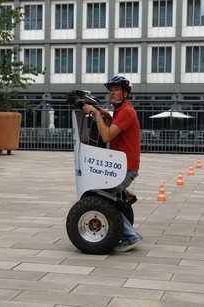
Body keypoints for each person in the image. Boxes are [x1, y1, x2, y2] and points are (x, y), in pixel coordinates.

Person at [82, 75, 142, 252]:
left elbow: (107, 135)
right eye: (110, 90)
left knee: (103, 198)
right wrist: (104, 113)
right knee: (108, 196)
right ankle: (122, 200)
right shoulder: (121, 110)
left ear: (125, 93)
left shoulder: (126, 112)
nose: (112, 93)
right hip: (122, 165)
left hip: (126, 167)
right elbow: (112, 123)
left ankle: (131, 237)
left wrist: (94, 113)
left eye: (116, 90)